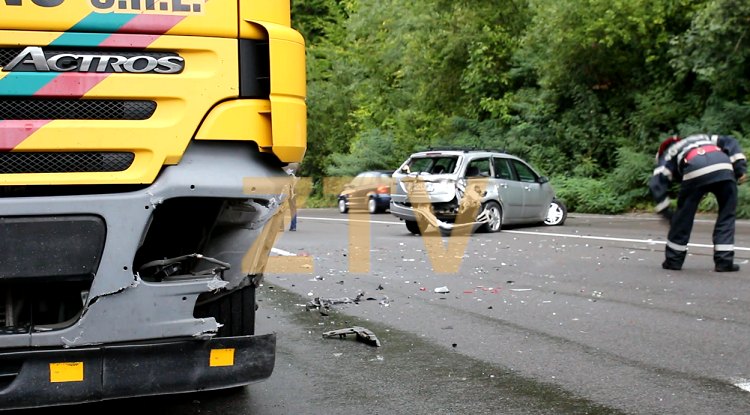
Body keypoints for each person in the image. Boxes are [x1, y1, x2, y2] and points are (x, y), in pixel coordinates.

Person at [649, 134, 747, 272]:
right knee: (727, 214)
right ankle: (724, 261)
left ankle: (673, 260)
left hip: (694, 167)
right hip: (724, 166)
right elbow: (730, 141)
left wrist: (667, 214)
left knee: (683, 217)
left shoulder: (668, 154)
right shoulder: (703, 137)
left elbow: (656, 185)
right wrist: (739, 168)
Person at [286, 163, 299, 231]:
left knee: (281, 208)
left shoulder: (283, 163)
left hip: (284, 188)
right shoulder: (296, 164)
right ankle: (293, 226)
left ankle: (280, 227)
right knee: (293, 208)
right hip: (293, 189)